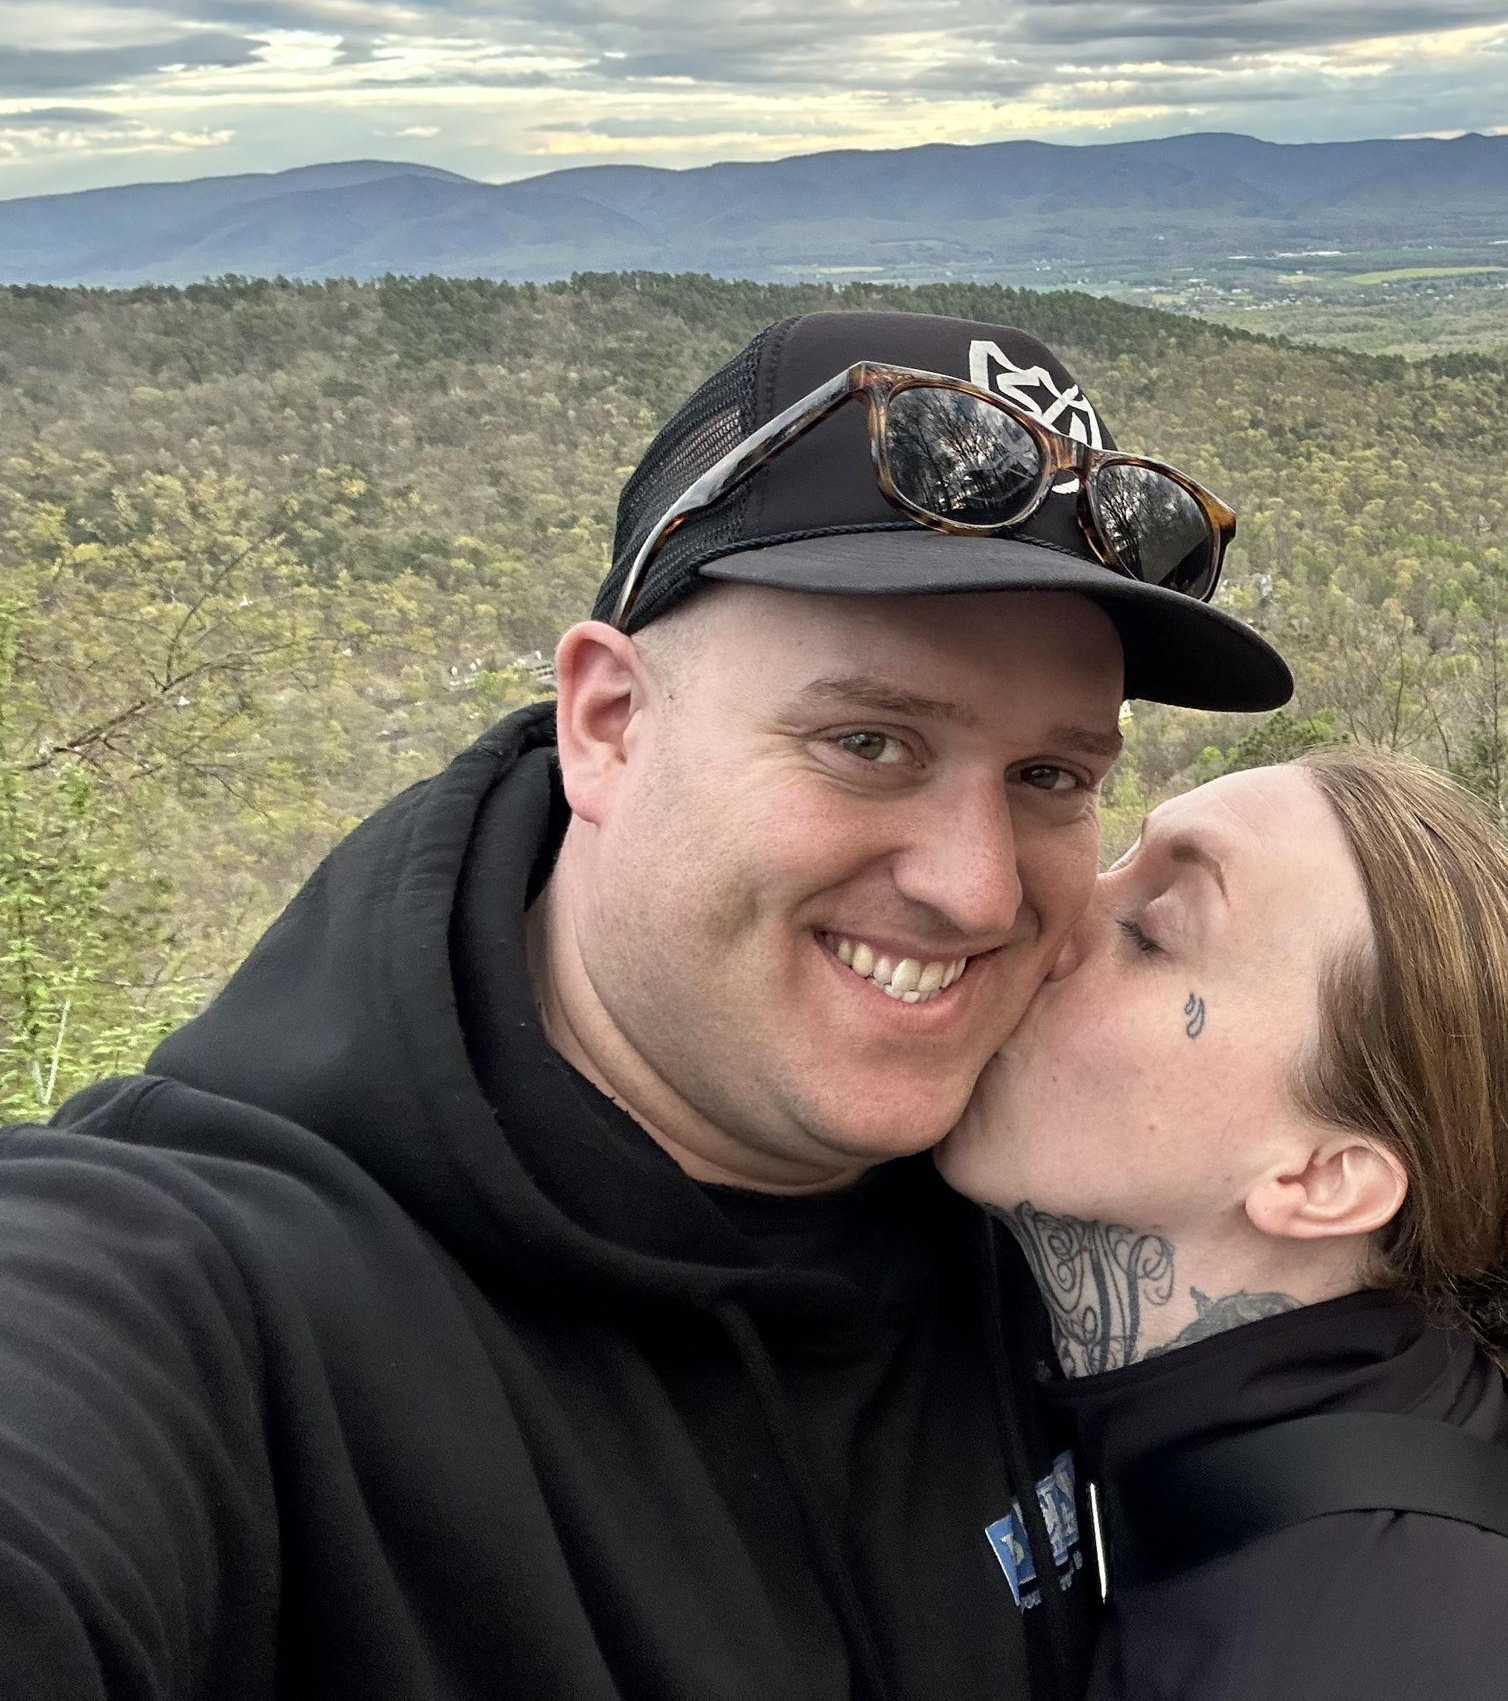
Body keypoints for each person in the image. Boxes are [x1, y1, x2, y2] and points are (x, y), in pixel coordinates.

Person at [0, 308, 1292, 1701]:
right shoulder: (201, 1298)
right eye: (866, 741)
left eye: (1048, 777)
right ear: (607, 724)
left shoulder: (1054, 1195)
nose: (974, 891)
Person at [938, 746, 1508, 1701]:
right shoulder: (1394, 1433)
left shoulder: (1347, 1650)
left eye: (1149, 934)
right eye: (1117, 858)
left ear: (1323, 1179)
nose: (1033, 909)